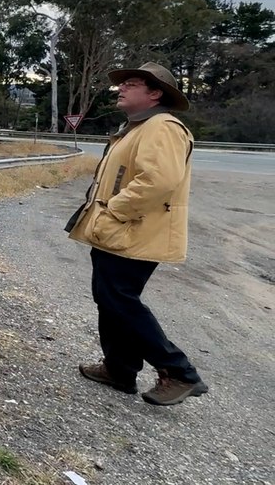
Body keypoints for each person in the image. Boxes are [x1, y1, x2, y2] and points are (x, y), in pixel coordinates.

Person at [64, 62, 208, 406]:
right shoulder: (139, 127)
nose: (121, 88)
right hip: (122, 231)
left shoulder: (163, 127)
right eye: (123, 83)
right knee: (110, 298)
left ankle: (179, 372)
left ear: (155, 93)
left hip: (134, 230)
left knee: (119, 300)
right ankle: (120, 369)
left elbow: (159, 181)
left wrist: (115, 210)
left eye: (131, 84)